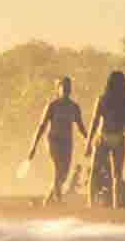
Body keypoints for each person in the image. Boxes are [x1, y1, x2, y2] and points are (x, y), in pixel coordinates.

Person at [26, 76, 86, 206]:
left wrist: (88, 141)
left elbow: (80, 126)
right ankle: (58, 200)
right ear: (58, 89)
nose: (66, 89)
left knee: (63, 175)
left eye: (68, 87)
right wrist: (33, 146)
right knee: (58, 168)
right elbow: (41, 126)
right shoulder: (52, 106)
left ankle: (47, 200)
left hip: (67, 142)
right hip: (53, 140)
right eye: (63, 87)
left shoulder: (74, 107)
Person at [87, 69, 125, 210]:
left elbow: (94, 121)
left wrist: (88, 143)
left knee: (95, 172)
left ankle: (91, 204)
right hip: (117, 138)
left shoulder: (102, 99)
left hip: (103, 137)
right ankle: (116, 204)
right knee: (116, 174)